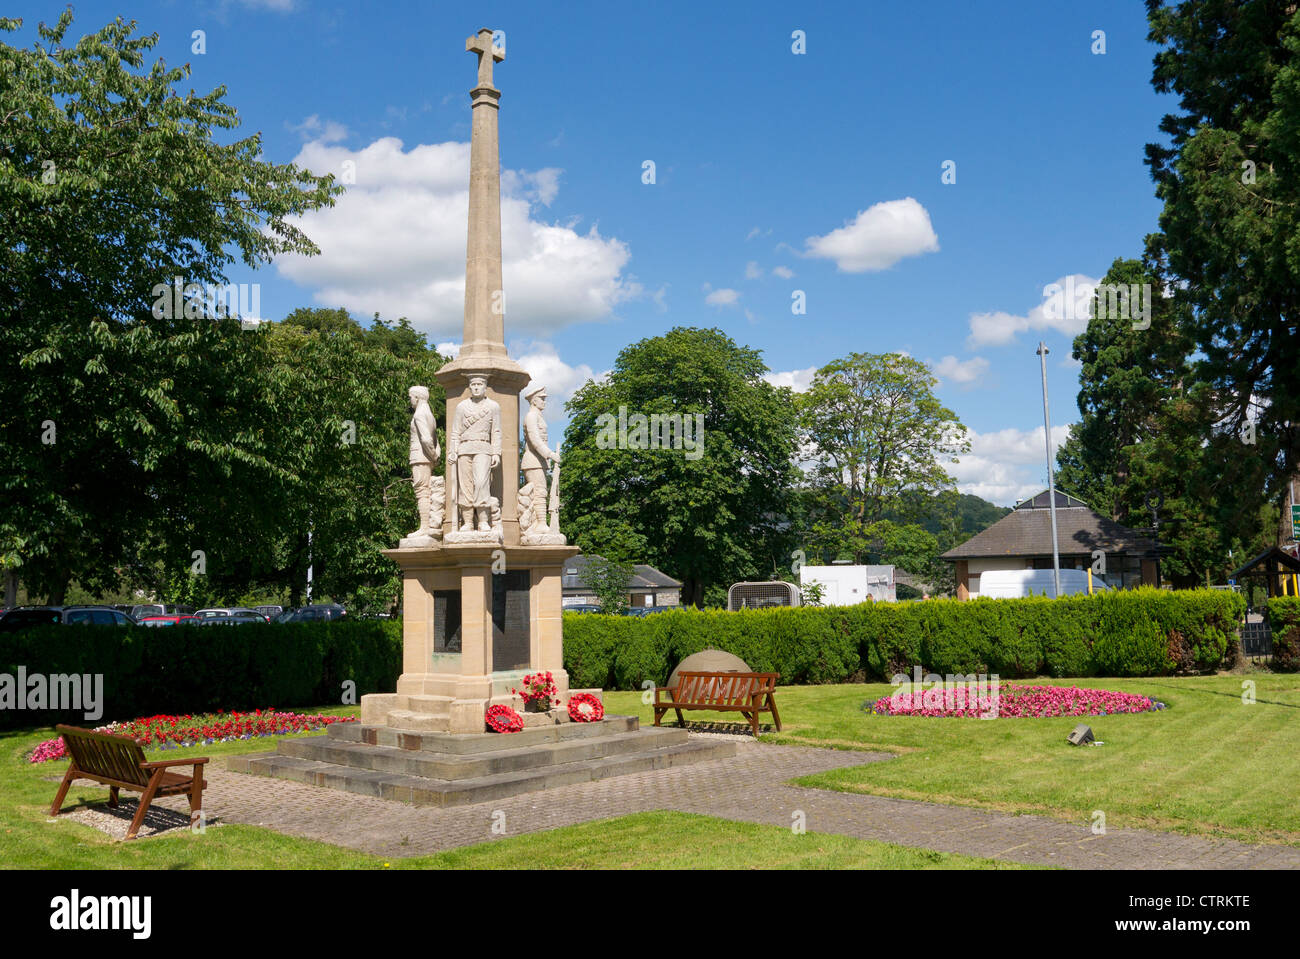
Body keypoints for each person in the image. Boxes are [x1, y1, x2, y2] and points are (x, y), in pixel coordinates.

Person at [448, 375, 501, 532]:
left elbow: (496, 431)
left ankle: (483, 521)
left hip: (484, 448)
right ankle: (468, 522)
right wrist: (453, 450)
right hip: (464, 449)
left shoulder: (493, 406)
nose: (476, 387)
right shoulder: (461, 407)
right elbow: (455, 431)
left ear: (485, 387)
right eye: (473, 384)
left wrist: (496, 453)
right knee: (465, 487)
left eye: (479, 384)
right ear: (469, 387)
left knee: (481, 484)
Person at [520, 384, 559, 531]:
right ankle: (540, 523)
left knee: (541, 491)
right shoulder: (531, 416)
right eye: (541, 398)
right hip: (533, 461)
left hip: (539, 461)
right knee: (539, 492)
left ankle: (541, 523)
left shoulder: (537, 416)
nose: (544, 401)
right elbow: (535, 439)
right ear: (533, 401)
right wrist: (550, 454)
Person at [407, 386, 442, 538]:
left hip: (420, 456)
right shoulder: (430, 415)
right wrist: (436, 455)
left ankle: (425, 527)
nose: (410, 400)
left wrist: (433, 455)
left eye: (411, 397)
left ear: (418, 397)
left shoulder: (419, 414)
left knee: (422, 491)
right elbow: (436, 440)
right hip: (426, 457)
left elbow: (427, 439)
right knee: (425, 489)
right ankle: (426, 525)